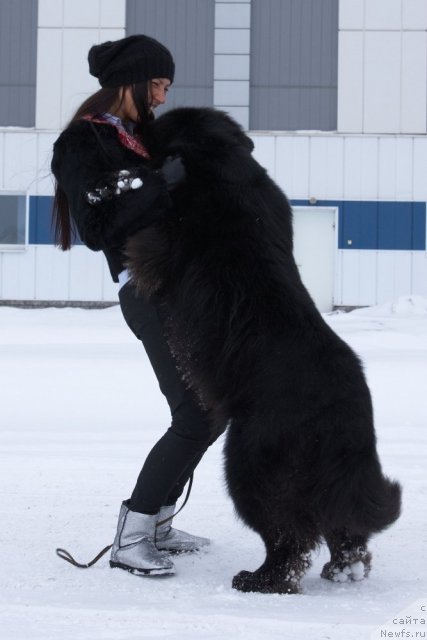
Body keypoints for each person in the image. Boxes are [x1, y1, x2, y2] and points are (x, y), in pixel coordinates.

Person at [51, 34, 223, 578]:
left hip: (182, 286)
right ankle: (133, 535)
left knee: (212, 411)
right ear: (133, 81)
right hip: (146, 291)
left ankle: (160, 523)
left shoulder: (142, 138)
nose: (164, 98)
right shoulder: (84, 142)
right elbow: (98, 224)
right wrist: (158, 182)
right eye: (158, 85)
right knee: (197, 413)